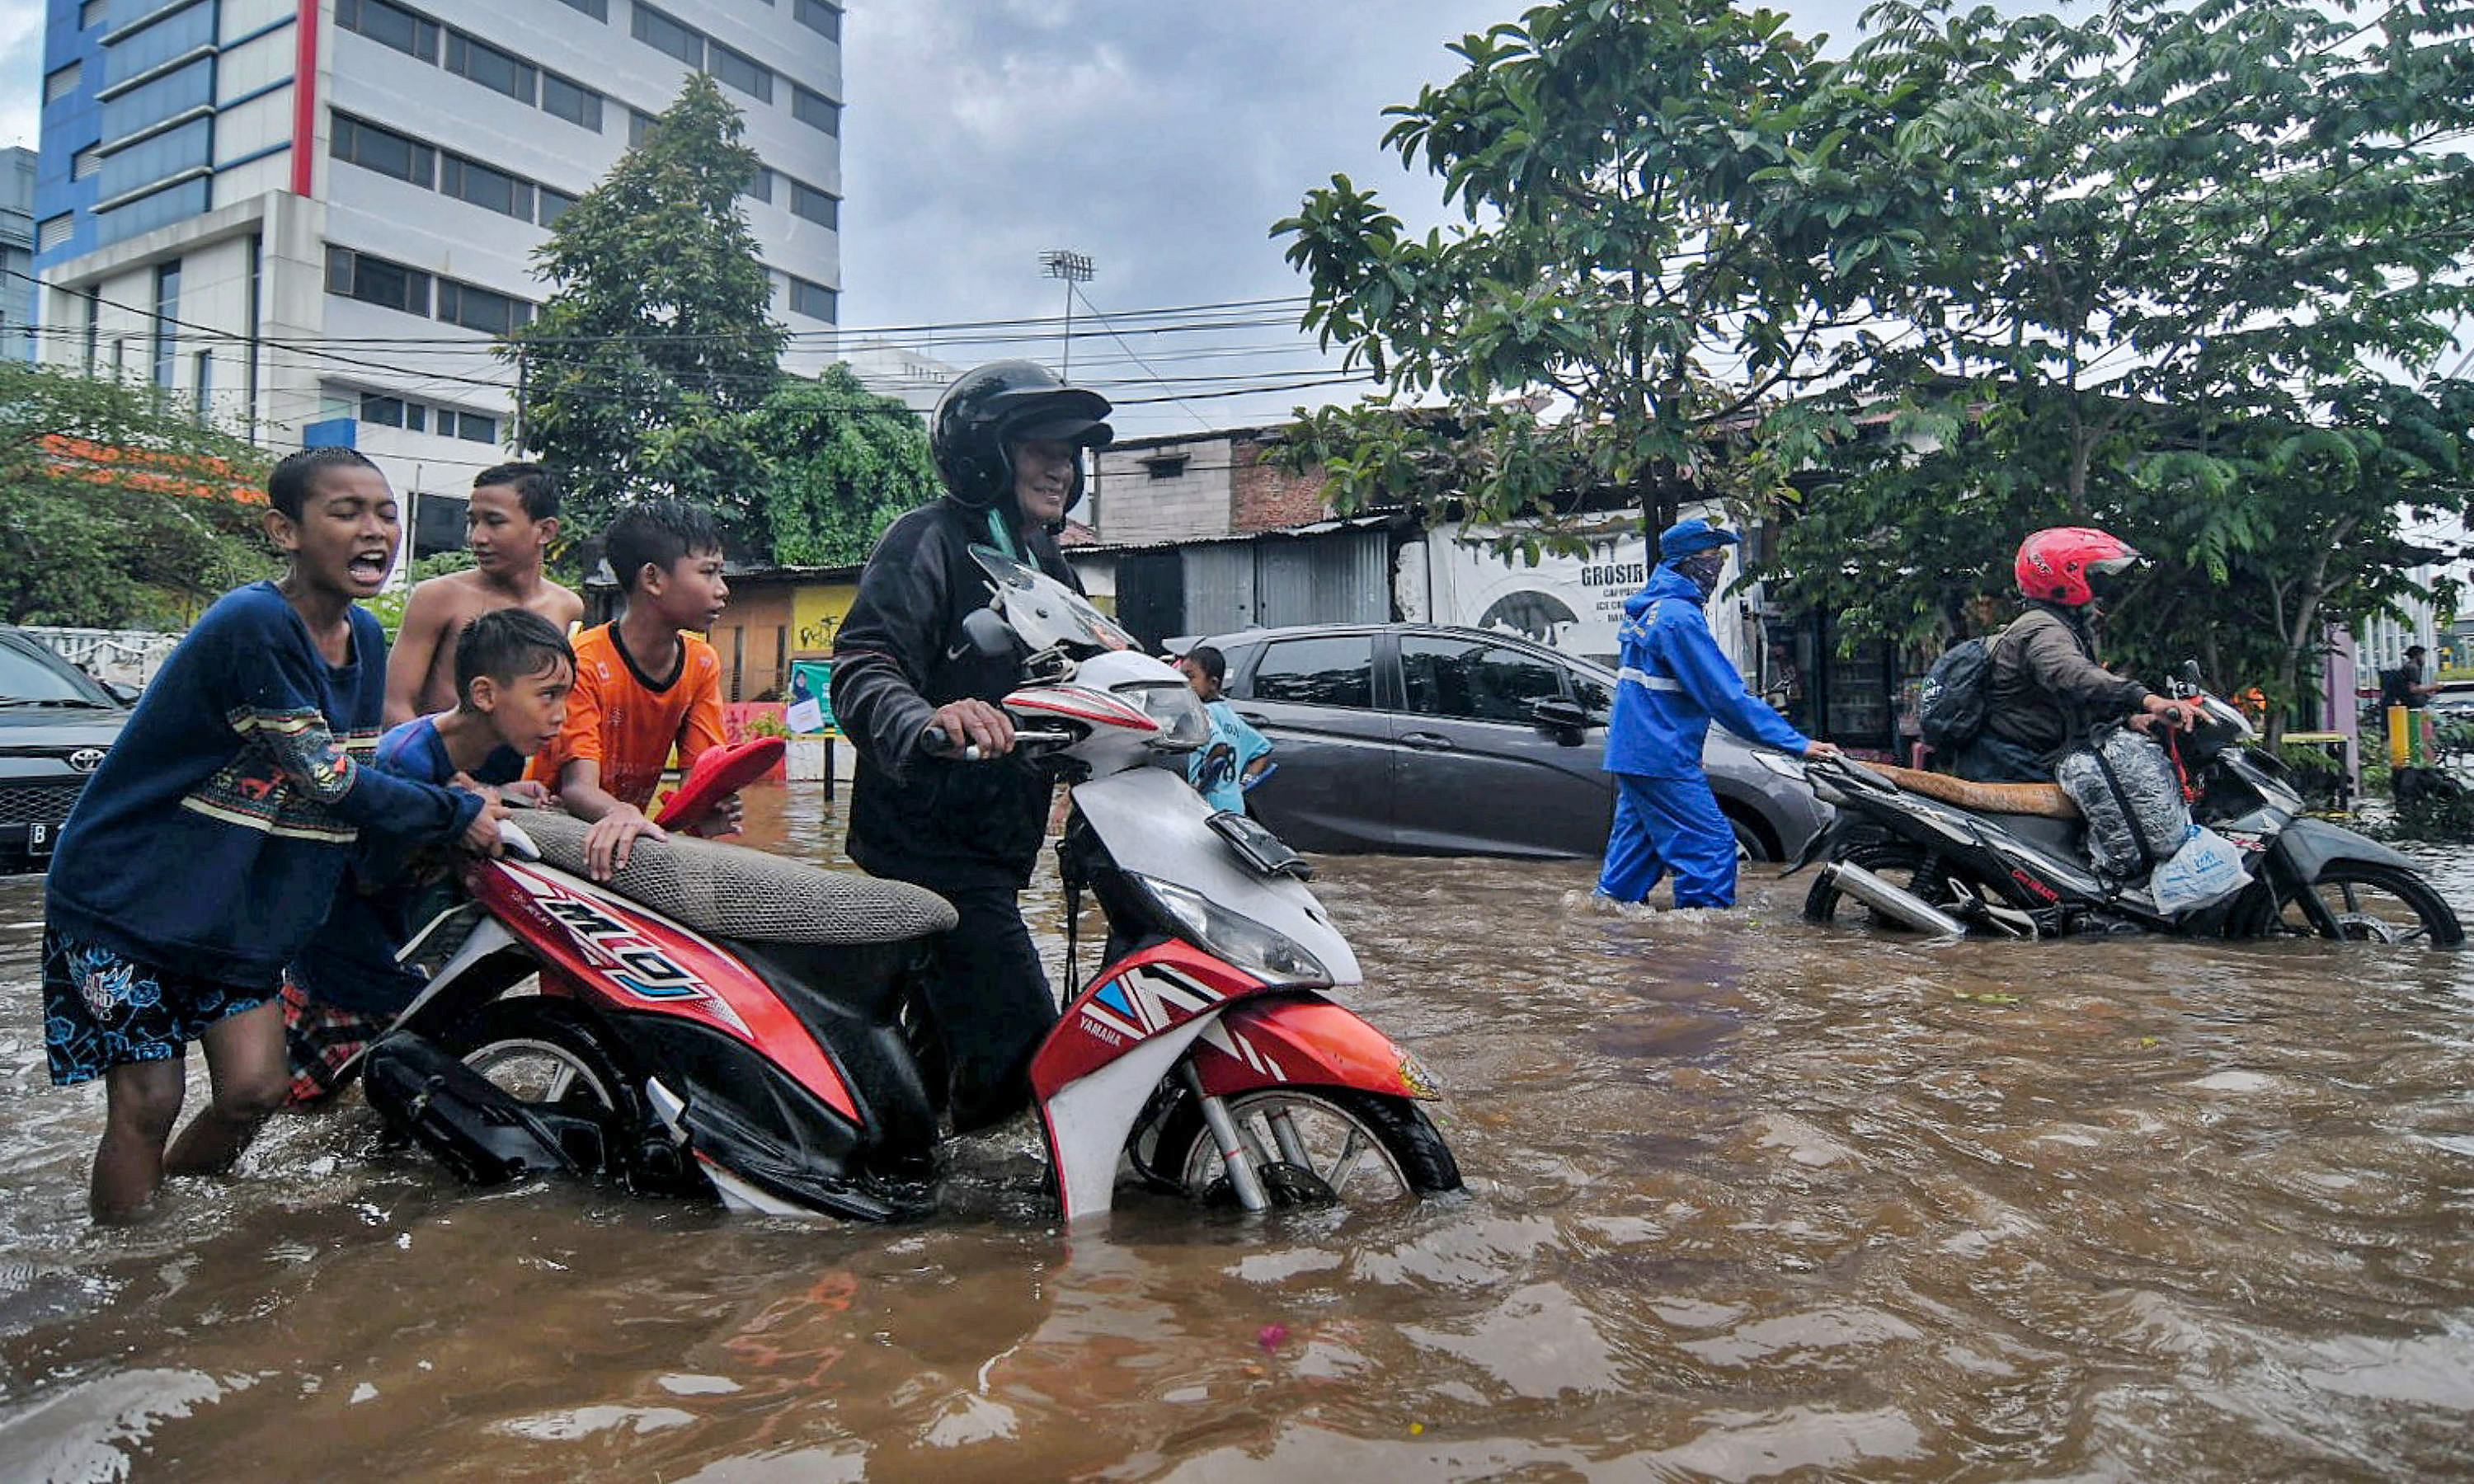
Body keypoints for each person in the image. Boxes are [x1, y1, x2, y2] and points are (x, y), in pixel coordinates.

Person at [41, 447, 506, 1222]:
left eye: (387, 513)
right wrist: (456, 814)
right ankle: (126, 1287)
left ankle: (188, 1239)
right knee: (150, 1101)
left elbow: (340, 791)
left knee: (256, 1090)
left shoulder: (363, 634)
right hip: (129, 899)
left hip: (234, 909)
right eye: (347, 512)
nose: (376, 531)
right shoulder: (253, 622)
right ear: (284, 531)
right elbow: (328, 778)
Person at [831, 359, 1110, 1132]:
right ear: (984, 453)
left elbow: (1094, 673)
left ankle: (917, 1185)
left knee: (940, 1050)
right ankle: (999, 1233)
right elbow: (863, 667)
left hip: (995, 845)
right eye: (1040, 448)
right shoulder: (926, 540)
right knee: (1021, 1048)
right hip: (928, 847)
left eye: (1071, 452)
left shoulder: (1046, 567)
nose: (1062, 467)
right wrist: (928, 721)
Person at [285, 609, 574, 1103]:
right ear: (484, 695)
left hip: (395, 938)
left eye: (565, 697)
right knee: (296, 1100)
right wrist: (457, 820)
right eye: (548, 695)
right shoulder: (404, 760)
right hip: (345, 946)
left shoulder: (501, 751)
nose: (561, 714)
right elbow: (365, 867)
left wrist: (497, 792)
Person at [1598, 517, 1840, 909]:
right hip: (1663, 757)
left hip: (1637, 754)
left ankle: (1608, 944)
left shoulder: (1650, 611)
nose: (1718, 567)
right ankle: (1704, 956)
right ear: (1687, 563)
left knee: (1625, 878)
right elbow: (1725, 697)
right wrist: (1796, 743)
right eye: (1712, 556)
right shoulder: (1679, 618)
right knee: (1710, 850)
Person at [526, 499, 735, 881]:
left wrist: (704, 810)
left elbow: (696, 780)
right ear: (653, 579)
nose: (722, 590)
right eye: (708, 573)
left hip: (625, 833)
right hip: (556, 829)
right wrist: (620, 811)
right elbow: (577, 788)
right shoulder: (584, 661)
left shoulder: (702, 662)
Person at [1954, 526, 2192, 784]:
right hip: (2015, 771)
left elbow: (2063, 703)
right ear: (2065, 578)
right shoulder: (2042, 629)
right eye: (2092, 574)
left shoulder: (2053, 625)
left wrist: (2128, 720)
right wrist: (2147, 699)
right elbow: (2074, 676)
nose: (2099, 586)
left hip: (2023, 762)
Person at [383, 462, 585, 726]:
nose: (477, 537)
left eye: (494, 522)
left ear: (545, 531)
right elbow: (395, 706)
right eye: (472, 522)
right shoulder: (437, 598)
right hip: (438, 761)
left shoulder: (567, 607)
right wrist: (435, 764)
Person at [1178, 644, 1273, 812]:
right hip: (1234, 805)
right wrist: (1245, 782)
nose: (1184, 684)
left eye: (1190, 677)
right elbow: (1263, 750)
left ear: (1213, 683)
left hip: (1210, 806)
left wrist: (1199, 788)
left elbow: (1219, 747)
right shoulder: (1231, 717)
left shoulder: (1202, 713)